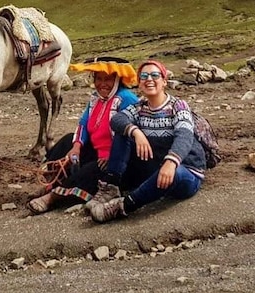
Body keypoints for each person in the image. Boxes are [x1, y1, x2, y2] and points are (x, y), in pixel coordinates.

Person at [90, 59, 206, 223]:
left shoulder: (178, 106)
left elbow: (185, 136)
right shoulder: (140, 106)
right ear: (139, 82)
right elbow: (117, 120)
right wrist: (136, 131)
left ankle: (124, 206)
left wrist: (172, 162)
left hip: (185, 169)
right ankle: (111, 187)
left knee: (176, 174)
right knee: (123, 132)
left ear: (164, 81)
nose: (149, 79)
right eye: (144, 76)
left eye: (154, 75)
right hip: (155, 166)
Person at [27, 56, 139, 214]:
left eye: (108, 79)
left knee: (92, 170)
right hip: (96, 151)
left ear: (118, 79)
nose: (102, 84)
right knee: (67, 141)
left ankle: (53, 197)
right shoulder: (95, 99)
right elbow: (84, 123)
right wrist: (77, 147)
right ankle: (51, 184)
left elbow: (130, 136)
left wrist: (113, 156)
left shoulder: (127, 99)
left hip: (116, 160)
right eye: (98, 79)